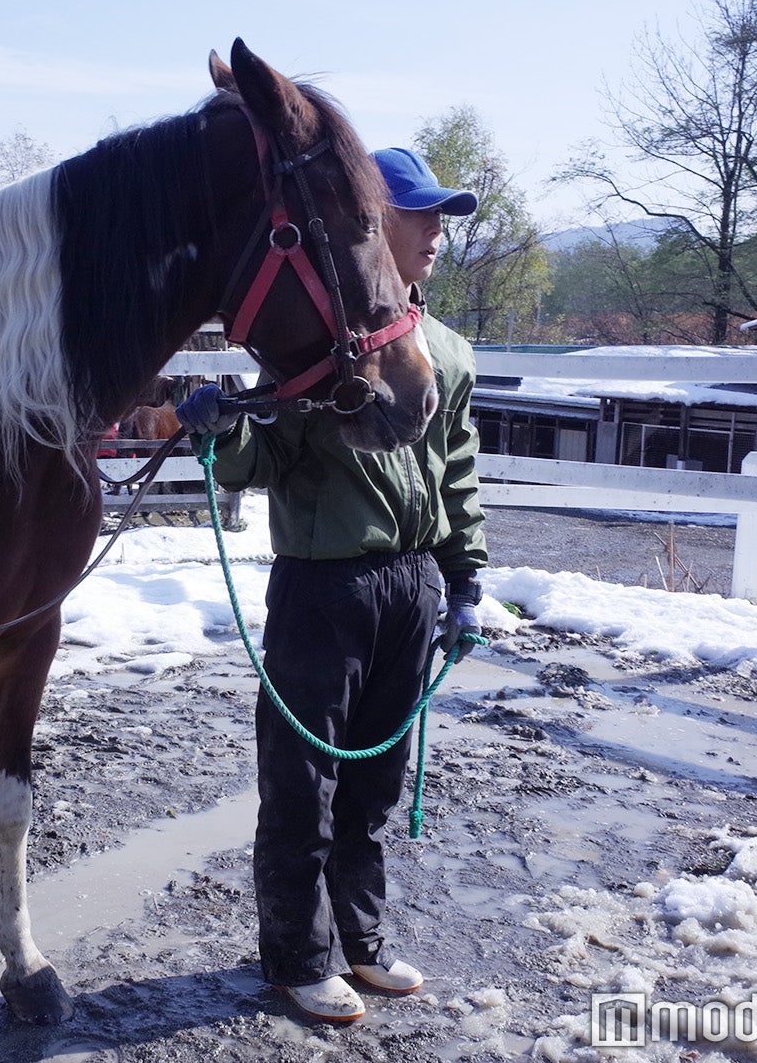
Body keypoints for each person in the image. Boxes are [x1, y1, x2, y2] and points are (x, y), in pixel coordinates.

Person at [176, 146, 488, 1023]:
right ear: (372, 223)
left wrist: (465, 580)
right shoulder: (319, 346)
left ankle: (362, 941)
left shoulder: (447, 352)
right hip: (323, 587)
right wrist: (220, 431)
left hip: (410, 587)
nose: (436, 232)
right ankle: (297, 957)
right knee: (302, 784)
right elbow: (264, 454)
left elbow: (458, 474)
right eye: (420, 214)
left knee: (375, 783)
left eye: (441, 216)